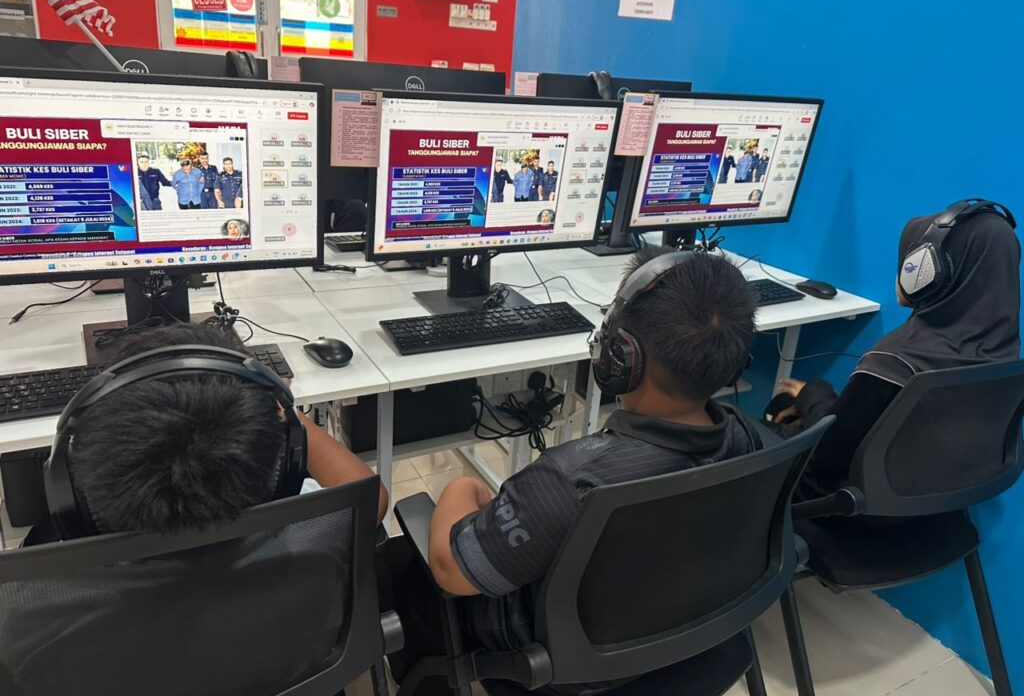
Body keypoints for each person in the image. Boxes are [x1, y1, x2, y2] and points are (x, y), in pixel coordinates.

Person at [384, 247, 763, 695]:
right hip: (679, 639)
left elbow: (450, 572)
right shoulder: (747, 438)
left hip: (559, 669)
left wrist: (461, 488)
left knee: (398, 564)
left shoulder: (570, 482)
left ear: (620, 356)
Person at [5, 323, 388, 692]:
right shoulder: (316, 536)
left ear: (67, 485)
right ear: (286, 464)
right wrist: (291, 416)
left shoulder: (30, 619)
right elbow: (370, 497)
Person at [765, 205, 1020, 500]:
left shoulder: (894, 363)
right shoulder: (1004, 354)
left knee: (765, 419)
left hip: (851, 508)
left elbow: (825, 459)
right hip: (934, 509)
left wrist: (813, 395)